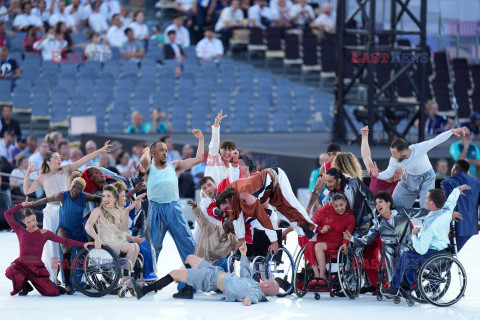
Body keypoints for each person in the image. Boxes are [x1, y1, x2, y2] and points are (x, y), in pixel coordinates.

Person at [22, 140, 112, 283]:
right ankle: (52, 279)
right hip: (51, 212)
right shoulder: (42, 177)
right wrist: (27, 174)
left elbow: (84, 160)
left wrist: (101, 150)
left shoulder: (66, 169)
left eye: (59, 157)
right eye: (56, 158)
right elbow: (26, 190)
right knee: (52, 247)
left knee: (69, 245)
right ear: (48, 162)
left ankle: (71, 279)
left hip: (67, 209)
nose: (59, 160)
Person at [385, 185, 470, 296]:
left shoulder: (431, 225)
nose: (424, 200)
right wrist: (457, 190)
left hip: (431, 253)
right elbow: (451, 200)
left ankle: (398, 286)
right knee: (409, 254)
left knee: (407, 256)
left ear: (431, 203)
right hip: (443, 249)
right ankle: (405, 286)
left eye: (426, 198)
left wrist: (414, 235)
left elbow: (421, 249)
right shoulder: (446, 211)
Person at [133, 243, 279, 305]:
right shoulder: (252, 284)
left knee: (174, 274)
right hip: (215, 272)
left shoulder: (255, 293)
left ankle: (144, 290)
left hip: (209, 280)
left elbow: (252, 298)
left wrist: (248, 301)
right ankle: (187, 289)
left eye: (267, 280)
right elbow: (246, 273)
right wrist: (243, 254)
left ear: (266, 284)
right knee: (190, 257)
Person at [26, 176, 101, 294]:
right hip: (64, 228)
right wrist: (33, 204)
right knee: (66, 250)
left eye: (79, 188)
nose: (75, 189)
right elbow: (47, 199)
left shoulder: (85, 196)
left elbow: (98, 198)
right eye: (74, 186)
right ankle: (67, 284)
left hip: (78, 229)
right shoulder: (62, 195)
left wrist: (99, 209)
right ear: (70, 185)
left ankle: (82, 281)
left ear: (82, 190)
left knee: (84, 255)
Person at [139, 129, 204, 266]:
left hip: (174, 208)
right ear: (153, 153)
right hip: (156, 209)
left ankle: (195, 276)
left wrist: (201, 140)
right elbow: (144, 160)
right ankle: (148, 277)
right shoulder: (149, 169)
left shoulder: (175, 166)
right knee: (153, 246)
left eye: (166, 150)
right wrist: (146, 150)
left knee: (187, 243)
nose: (164, 152)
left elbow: (198, 159)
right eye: (161, 150)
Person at [215, 167, 316, 254]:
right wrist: (241, 240)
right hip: (268, 191)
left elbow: (263, 218)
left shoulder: (245, 196)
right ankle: (306, 229)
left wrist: (274, 243)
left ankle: (312, 230)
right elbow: (237, 219)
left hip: (276, 178)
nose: (228, 211)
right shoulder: (231, 195)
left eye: (226, 208)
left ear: (227, 200)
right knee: (287, 212)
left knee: (293, 205)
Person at [4, 198, 93, 296]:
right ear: (23, 222)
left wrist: (82, 244)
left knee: (52, 293)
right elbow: (7, 214)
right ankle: (25, 286)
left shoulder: (44, 233)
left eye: (33, 220)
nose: (32, 223)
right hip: (22, 265)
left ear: (36, 218)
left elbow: (65, 241)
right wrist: (21, 205)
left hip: (36, 269)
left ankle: (54, 286)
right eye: (29, 222)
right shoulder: (20, 231)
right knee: (10, 271)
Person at [371, 127, 468, 209]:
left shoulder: (419, 149)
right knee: (396, 205)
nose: (392, 156)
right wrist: (378, 175)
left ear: (403, 153)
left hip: (427, 178)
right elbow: (388, 173)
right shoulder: (394, 159)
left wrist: (451, 132)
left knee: (425, 207)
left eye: (394, 154)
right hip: (409, 178)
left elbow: (436, 140)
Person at [321, 167, 379, 292]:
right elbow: (326, 210)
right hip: (348, 227)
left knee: (351, 249)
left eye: (330, 181)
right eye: (327, 182)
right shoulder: (330, 194)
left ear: (339, 180)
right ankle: (366, 284)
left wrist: (377, 219)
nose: (328, 184)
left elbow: (371, 199)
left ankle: (351, 287)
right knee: (350, 249)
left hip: (364, 223)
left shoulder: (354, 183)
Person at [343, 192, 429, 274]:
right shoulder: (378, 222)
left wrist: (436, 212)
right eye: (376, 203)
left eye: (380, 202)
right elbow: (368, 239)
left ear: (388, 203)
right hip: (391, 251)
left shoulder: (401, 212)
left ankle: (405, 277)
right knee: (387, 249)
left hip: (407, 246)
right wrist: (352, 239)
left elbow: (420, 213)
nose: (377, 205)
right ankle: (391, 282)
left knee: (401, 248)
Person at [174, 200, 238, 299]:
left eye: (233, 221)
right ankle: (197, 284)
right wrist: (195, 207)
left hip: (216, 269)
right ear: (223, 220)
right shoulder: (210, 227)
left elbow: (241, 249)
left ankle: (220, 286)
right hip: (200, 266)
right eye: (228, 220)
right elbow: (201, 217)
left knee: (226, 262)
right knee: (181, 288)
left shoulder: (233, 239)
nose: (230, 222)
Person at [85, 185, 144, 287]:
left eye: (109, 196)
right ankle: (125, 279)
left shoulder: (119, 211)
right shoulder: (97, 211)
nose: (105, 199)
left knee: (136, 246)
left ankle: (127, 277)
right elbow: (88, 225)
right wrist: (96, 238)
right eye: (104, 196)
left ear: (115, 199)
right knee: (131, 247)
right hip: (105, 244)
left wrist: (126, 211)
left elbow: (122, 230)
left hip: (116, 242)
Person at [304, 193, 354, 283]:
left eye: (341, 205)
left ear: (346, 203)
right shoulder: (326, 213)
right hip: (323, 239)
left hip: (337, 243)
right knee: (310, 244)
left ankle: (323, 275)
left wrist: (345, 244)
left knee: (318, 246)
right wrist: (321, 229)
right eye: (336, 206)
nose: (339, 208)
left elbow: (348, 234)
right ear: (332, 206)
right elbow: (315, 225)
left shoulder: (350, 218)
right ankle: (316, 274)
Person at [112, 181, 155, 280]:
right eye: (123, 196)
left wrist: (138, 199)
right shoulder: (114, 210)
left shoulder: (125, 205)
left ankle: (143, 274)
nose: (125, 197)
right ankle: (132, 276)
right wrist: (133, 238)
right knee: (141, 247)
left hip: (128, 236)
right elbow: (119, 231)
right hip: (120, 239)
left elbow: (136, 206)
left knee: (145, 245)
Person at [441, 159, 480, 251]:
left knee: (444, 254)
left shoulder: (447, 182)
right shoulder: (476, 181)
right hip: (471, 227)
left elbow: (448, 204)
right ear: (467, 171)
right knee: (450, 254)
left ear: (454, 168)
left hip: (455, 227)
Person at [360, 126, 403, 195]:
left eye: (395, 171)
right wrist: (364, 137)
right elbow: (366, 157)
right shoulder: (377, 174)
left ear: (396, 179)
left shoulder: (396, 188)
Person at [204, 110, 239, 186]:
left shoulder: (233, 168)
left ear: (233, 152)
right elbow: (215, 142)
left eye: (230, 150)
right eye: (225, 149)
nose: (227, 152)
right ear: (219, 150)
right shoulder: (214, 158)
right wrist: (216, 124)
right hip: (209, 197)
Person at [305, 142, 342, 214]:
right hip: (325, 203)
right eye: (329, 155)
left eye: (334, 154)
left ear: (340, 154)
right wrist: (309, 207)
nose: (332, 157)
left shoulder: (346, 166)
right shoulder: (323, 169)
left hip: (342, 204)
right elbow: (316, 189)